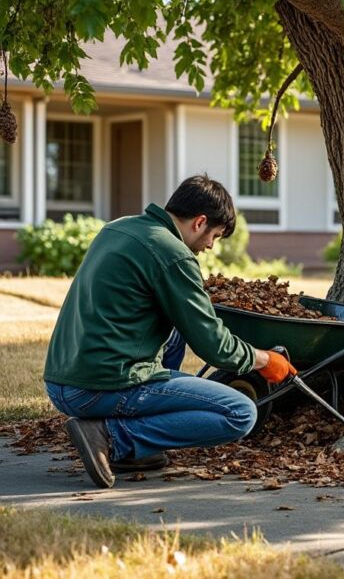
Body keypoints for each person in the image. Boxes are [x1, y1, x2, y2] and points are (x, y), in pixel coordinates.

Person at [43, 174, 296, 488]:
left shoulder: (119, 227)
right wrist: (264, 360)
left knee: (175, 332)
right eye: (214, 235)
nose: (210, 246)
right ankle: (112, 436)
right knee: (240, 413)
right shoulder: (173, 254)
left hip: (61, 381)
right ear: (199, 222)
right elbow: (213, 345)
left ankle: (136, 448)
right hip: (98, 387)